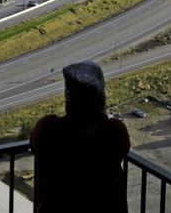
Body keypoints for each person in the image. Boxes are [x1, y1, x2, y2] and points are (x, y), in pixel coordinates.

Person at [31, 61, 130, 213]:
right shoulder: (113, 133)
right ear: (101, 98)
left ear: (68, 99)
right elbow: (123, 147)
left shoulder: (48, 129)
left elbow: (34, 141)